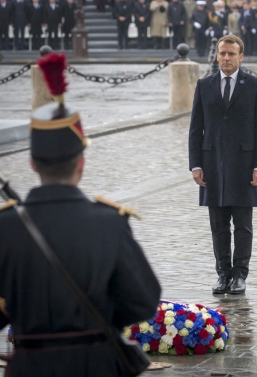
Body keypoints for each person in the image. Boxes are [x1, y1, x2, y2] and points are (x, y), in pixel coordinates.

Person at [0, 53, 161, 375]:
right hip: (97, 363)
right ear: (81, 163)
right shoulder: (109, 222)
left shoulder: (5, 226)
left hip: (29, 366)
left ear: (32, 164)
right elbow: (143, 300)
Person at [188, 35, 257, 295]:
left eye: (231, 54)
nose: (226, 58)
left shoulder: (255, 85)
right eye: (222, 53)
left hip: (245, 166)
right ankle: (223, 274)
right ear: (217, 55)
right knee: (218, 225)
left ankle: (240, 275)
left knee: (243, 225)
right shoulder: (204, 85)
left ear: (241, 57)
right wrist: (195, 165)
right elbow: (195, 129)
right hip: (212, 165)